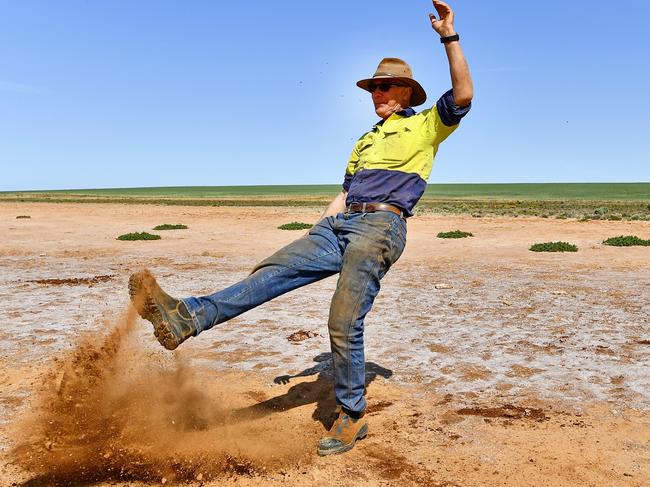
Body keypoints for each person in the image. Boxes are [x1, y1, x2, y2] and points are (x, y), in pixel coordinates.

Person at [129, 0, 473, 456]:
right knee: (270, 271)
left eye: (387, 86)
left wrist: (449, 35)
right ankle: (187, 316)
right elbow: (344, 193)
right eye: (373, 88)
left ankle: (351, 417)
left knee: (343, 319)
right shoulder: (365, 140)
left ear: (407, 92)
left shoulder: (428, 125)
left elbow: (464, 94)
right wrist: (316, 233)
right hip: (342, 223)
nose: (378, 93)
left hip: (381, 226)